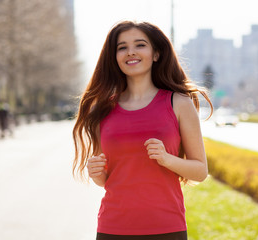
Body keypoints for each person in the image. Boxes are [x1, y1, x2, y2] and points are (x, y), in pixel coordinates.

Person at [72, 21, 213, 240]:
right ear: (114, 57)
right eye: (122, 47)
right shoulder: (103, 109)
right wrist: (97, 173)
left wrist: (167, 159)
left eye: (140, 45)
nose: (131, 52)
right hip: (113, 227)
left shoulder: (179, 103)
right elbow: (108, 178)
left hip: (166, 227)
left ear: (156, 54)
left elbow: (200, 171)